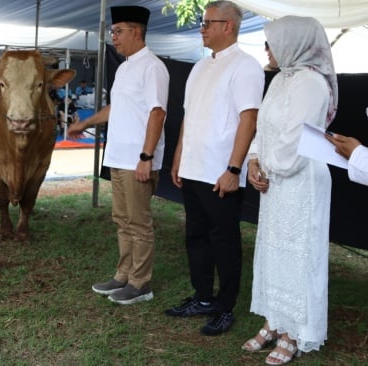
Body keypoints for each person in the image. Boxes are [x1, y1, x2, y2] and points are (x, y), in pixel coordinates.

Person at [243, 16, 338, 365]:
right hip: (275, 179)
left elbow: (296, 140)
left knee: (297, 255)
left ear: (294, 43)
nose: (267, 49)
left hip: (299, 181)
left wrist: (268, 166)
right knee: (273, 252)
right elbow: (263, 128)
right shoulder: (281, 79)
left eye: (271, 42)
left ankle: (294, 331)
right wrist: (253, 161)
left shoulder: (312, 84)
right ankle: (275, 318)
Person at [167, 0, 264, 335]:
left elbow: (248, 120)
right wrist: (179, 155)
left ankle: (225, 306)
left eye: (208, 23)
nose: (202, 28)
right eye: (202, 22)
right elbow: (188, 117)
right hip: (193, 167)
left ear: (229, 26)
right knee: (196, 236)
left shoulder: (246, 66)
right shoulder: (199, 67)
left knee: (224, 240)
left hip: (221, 172)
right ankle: (203, 296)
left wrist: (234, 169)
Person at [68, 5, 169, 305]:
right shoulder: (125, 67)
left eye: (118, 31)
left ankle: (141, 284)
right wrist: (86, 122)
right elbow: (117, 108)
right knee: (122, 220)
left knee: (138, 222)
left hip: (138, 159)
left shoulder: (153, 67)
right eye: (113, 31)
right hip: (118, 156)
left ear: (137, 32)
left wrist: (146, 156)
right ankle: (123, 275)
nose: (114, 37)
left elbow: (157, 112)